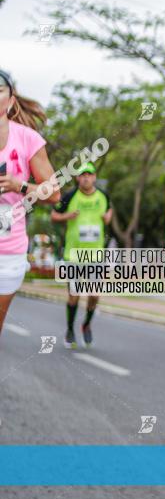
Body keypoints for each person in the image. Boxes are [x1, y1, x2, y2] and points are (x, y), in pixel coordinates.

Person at [0, 69, 62, 337]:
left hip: (8, 250)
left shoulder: (27, 139)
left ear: (11, 101)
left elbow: (54, 194)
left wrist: (19, 185)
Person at [51, 162, 112, 348]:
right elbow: (54, 215)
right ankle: (70, 329)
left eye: (89, 174)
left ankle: (86, 325)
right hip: (74, 255)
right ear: (78, 178)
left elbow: (109, 209)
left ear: (94, 177)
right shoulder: (69, 196)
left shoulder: (103, 196)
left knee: (94, 295)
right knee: (74, 295)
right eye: (82, 174)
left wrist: (108, 216)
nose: (86, 177)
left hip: (95, 256)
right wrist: (66, 217)